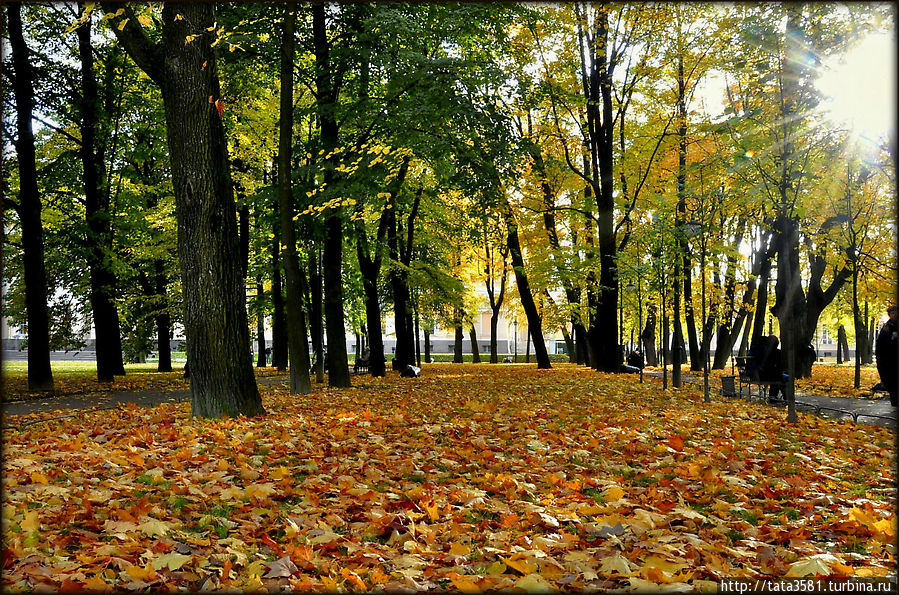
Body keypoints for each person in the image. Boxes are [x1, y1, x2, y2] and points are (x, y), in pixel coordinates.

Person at [875, 305, 898, 406]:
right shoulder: (886, 328)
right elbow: (881, 345)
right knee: (892, 384)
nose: (895, 315)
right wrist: (892, 339)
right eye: (893, 313)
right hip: (889, 362)